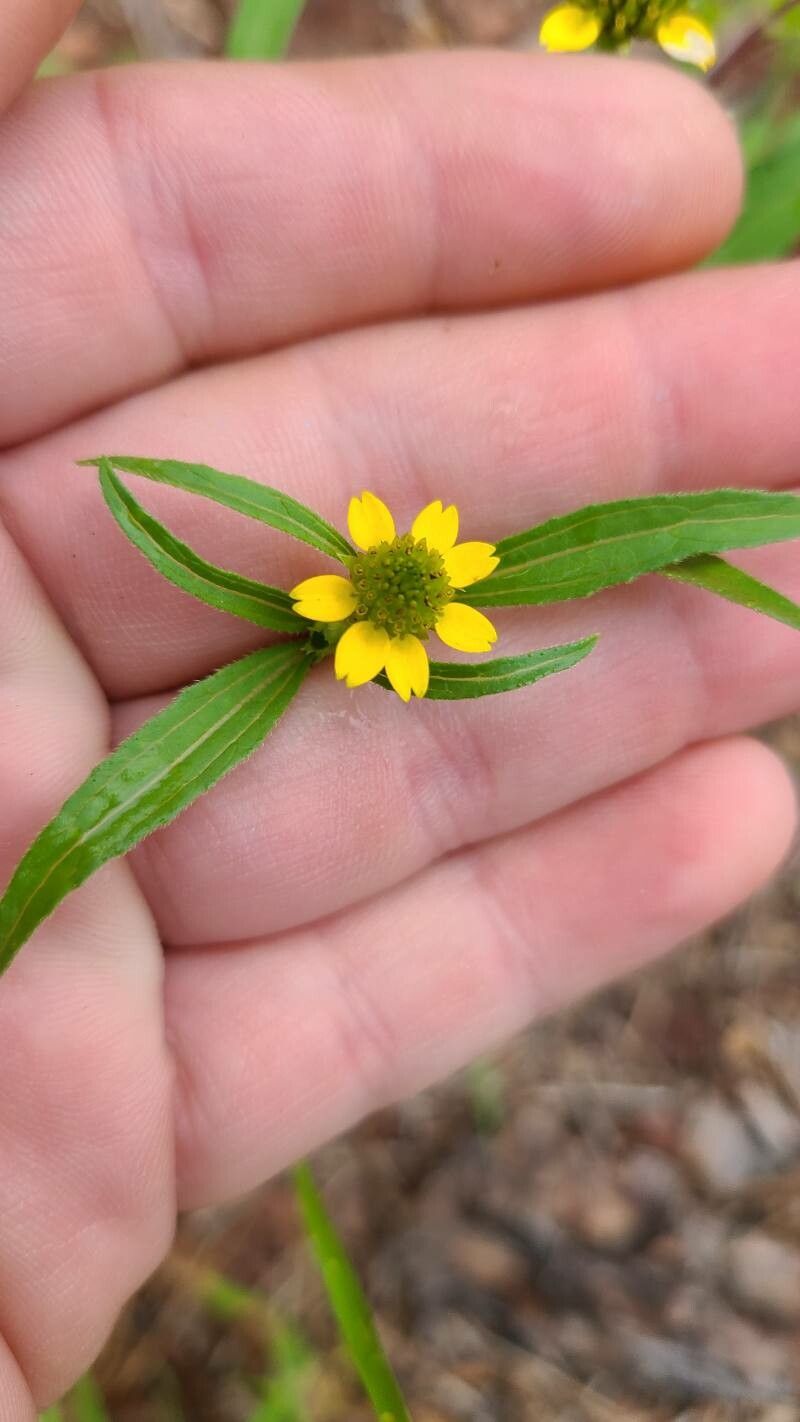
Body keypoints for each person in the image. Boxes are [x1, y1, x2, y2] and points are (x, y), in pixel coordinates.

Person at [1, 2, 798, 1414]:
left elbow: (415, 610)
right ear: (369, 579)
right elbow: (377, 604)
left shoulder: (418, 602)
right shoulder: (372, 592)